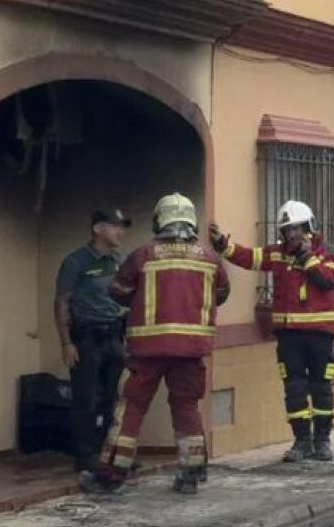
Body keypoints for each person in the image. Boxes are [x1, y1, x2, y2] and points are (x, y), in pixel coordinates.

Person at [81, 193, 230, 496]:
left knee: (131, 408)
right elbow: (222, 293)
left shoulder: (143, 256)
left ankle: (110, 476)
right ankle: (191, 473)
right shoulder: (210, 258)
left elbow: (118, 291)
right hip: (191, 351)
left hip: (147, 351)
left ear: (160, 220)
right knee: (187, 407)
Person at [210, 201, 334, 463]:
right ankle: (301, 441)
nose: (291, 235)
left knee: (321, 388)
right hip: (288, 335)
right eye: (286, 230)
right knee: (294, 389)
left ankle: (322, 441)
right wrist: (224, 246)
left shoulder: (328, 253)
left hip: (320, 334)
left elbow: (328, 281)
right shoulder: (278, 253)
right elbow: (250, 257)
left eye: (295, 229)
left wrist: (307, 258)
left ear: (308, 227)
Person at [55, 209, 132, 473]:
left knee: (113, 398)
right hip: (87, 337)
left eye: (122, 227)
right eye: (115, 226)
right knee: (87, 397)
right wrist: (66, 343)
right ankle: (85, 454)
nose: (120, 232)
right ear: (98, 229)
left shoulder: (118, 261)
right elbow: (62, 302)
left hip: (114, 335)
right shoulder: (77, 262)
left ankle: (108, 453)